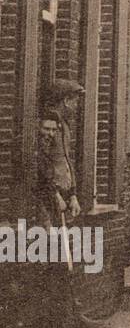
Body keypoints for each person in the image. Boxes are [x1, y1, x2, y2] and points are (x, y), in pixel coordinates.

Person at [34, 81, 84, 229]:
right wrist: (55, 195)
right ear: (66, 101)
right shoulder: (47, 126)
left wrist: (73, 194)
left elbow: (67, 161)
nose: (76, 106)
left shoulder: (64, 126)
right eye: (75, 102)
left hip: (63, 195)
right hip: (48, 195)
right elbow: (41, 163)